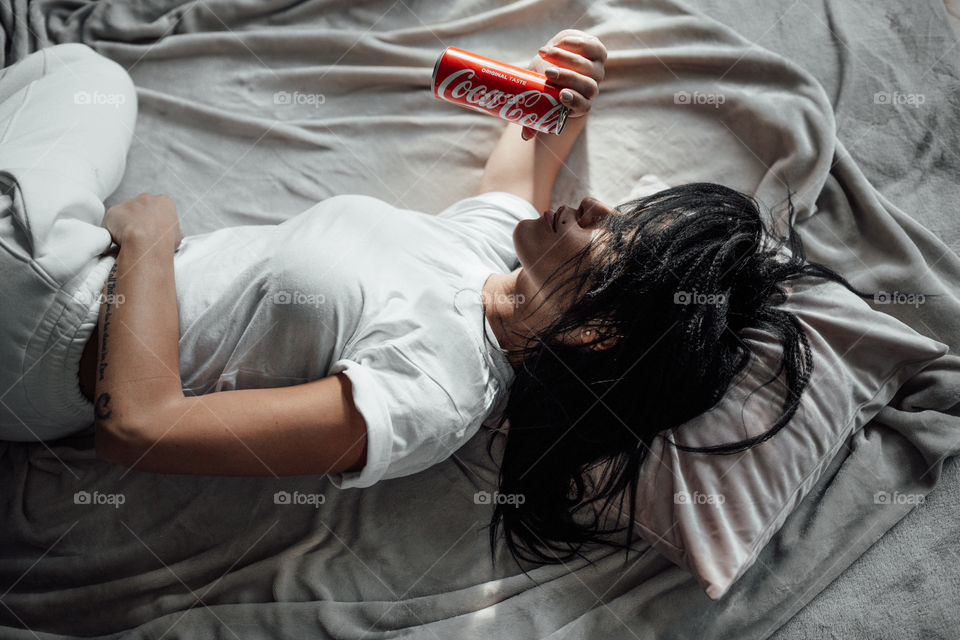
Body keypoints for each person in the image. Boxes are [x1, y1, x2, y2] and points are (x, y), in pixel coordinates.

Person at [0, 32, 868, 568]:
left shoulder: (434, 390)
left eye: (615, 235)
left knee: (71, 79)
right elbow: (526, 162)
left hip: (54, 325)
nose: (598, 205)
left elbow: (140, 429)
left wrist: (151, 247)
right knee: (83, 73)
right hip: (73, 271)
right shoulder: (495, 253)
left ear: (599, 332)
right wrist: (568, 90)